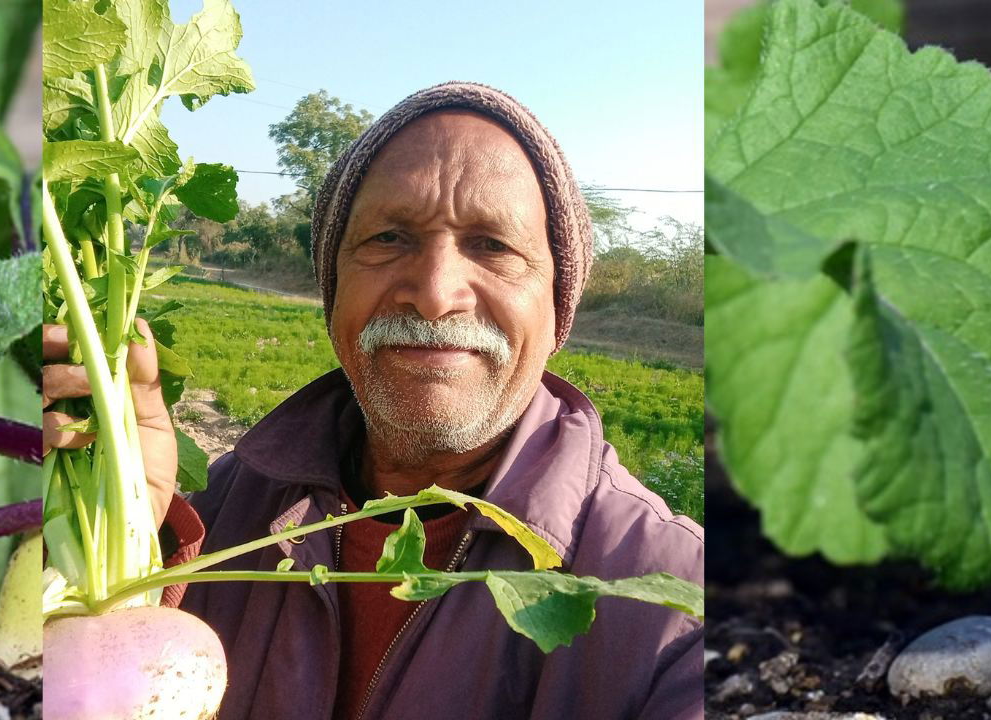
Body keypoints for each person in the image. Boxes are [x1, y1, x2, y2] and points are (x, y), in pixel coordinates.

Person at [44, 81, 703, 720]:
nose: (437, 291)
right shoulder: (217, 512)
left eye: (492, 245)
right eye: (389, 238)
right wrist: (146, 536)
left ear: (559, 303)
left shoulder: (677, 606)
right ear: (334, 288)